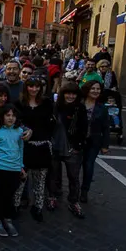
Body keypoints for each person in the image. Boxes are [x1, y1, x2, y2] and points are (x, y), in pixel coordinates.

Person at [14, 77, 54, 222]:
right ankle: (15, 205)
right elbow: (16, 121)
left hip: (42, 145)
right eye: (31, 86)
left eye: (37, 86)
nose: (34, 89)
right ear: (26, 87)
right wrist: (25, 130)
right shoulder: (19, 103)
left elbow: (51, 122)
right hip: (24, 146)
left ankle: (38, 207)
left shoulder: (47, 103)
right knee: (20, 179)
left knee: (40, 180)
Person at [47, 82, 88, 218]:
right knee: (53, 174)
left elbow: (83, 128)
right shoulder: (55, 107)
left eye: (73, 94)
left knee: (73, 177)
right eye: (68, 93)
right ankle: (52, 196)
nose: (70, 96)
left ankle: (73, 201)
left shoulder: (80, 108)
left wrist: (78, 146)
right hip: (55, 145)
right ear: (63, 94)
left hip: (72, 147)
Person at [0, 104, 24, 237]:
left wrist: (21, 166)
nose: (11, 118)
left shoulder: (19, 131)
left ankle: (7, 218)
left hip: (14, 169)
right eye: (8, 115)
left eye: (13, 115)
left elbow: (20, 149)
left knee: (9, 196)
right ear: (2, 116)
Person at [80, 81, 110, 203]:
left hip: (94, 141)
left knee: (88, 165)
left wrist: (105, 145)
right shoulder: (79, 104)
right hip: (78, 141)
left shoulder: (102, 108)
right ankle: (73, 189)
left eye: (98, 89)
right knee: (74, 167)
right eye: (93, 88)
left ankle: (84, 191)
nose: (95, 91)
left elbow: (106, 128)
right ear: (87, 89)